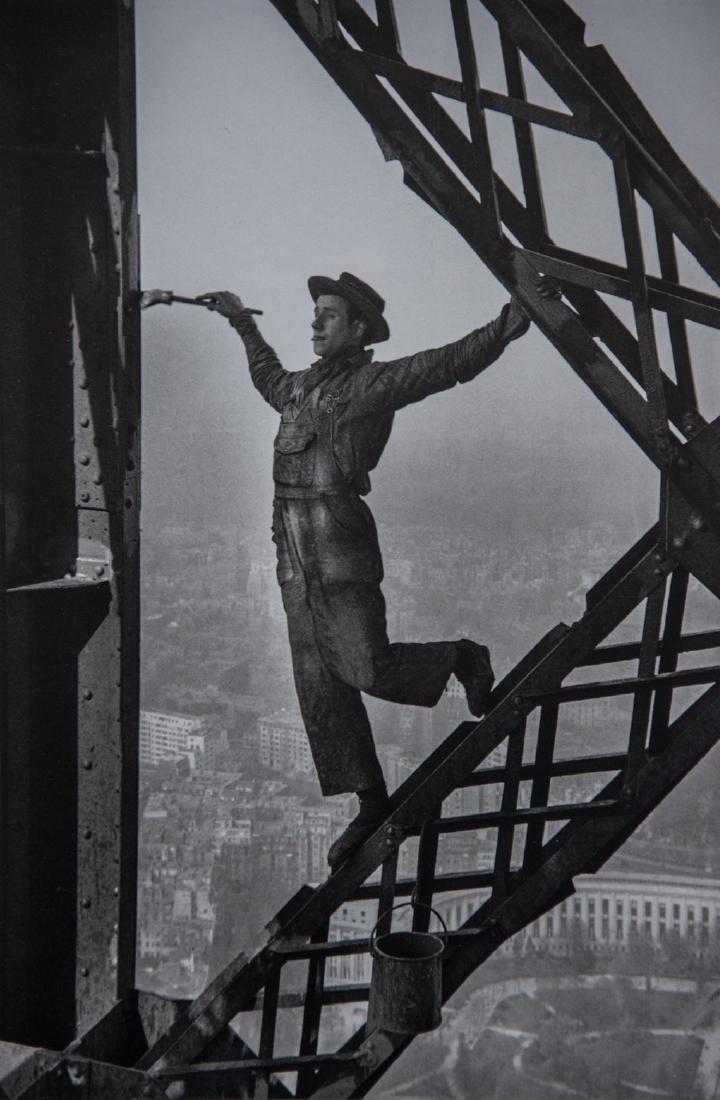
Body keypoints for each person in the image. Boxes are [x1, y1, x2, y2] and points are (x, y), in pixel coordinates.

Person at [199, 272, 558, 869]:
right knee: (319, 685)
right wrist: (239, 319)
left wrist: (504, 327)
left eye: (329, 315)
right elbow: (265, 371)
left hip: (339, 550)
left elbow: (445, 364)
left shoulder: (371, 384)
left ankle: (461, 658)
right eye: (315, 312)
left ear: (360, 328)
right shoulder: (295, 390)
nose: (315, 323)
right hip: (295, 556)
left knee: (365, 665)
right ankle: (370, 802)